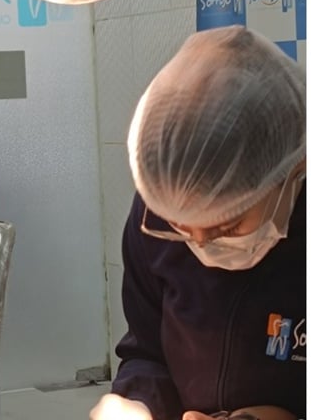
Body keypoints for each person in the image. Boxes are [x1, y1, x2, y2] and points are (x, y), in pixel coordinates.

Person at [90, 26, 305, 420]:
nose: (202, 246)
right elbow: (146, 350)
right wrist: (137, 402)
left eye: (229, 227)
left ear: (293, 172)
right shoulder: (160, 205)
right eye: (181, 228)